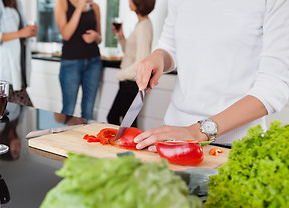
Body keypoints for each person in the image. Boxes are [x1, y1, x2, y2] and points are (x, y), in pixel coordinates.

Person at [134, 0, 289, 152]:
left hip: (237, 146)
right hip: (173, 134)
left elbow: (273, 86)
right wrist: (158, 56)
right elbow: (169, 46)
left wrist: (198, 132)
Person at [107, 0, 155, 128]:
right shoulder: (140, 25)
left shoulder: (144, 27)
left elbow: (142, 60)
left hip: (132, 82)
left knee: (127, 123)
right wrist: (120, 37)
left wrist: (120, 75)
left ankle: (128, 147)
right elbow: (130, 54)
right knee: (116, 119)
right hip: (128, 81)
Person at [0, 0, 38, 106]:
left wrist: (28, 31)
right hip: (4, 72)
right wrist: (20, 33)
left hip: (19, 73)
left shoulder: (16, 2)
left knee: (18, 117)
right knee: (10, 116)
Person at [54, 0, 102, 121]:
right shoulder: (62, 3)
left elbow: (100, 38)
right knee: (68, 109)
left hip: (94, 62)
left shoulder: (94, 6)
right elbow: (66, 34)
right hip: (71, 63)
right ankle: (63, 139)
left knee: (88, 109)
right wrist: (79, 9)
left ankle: (86, 138)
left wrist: (95, 36)